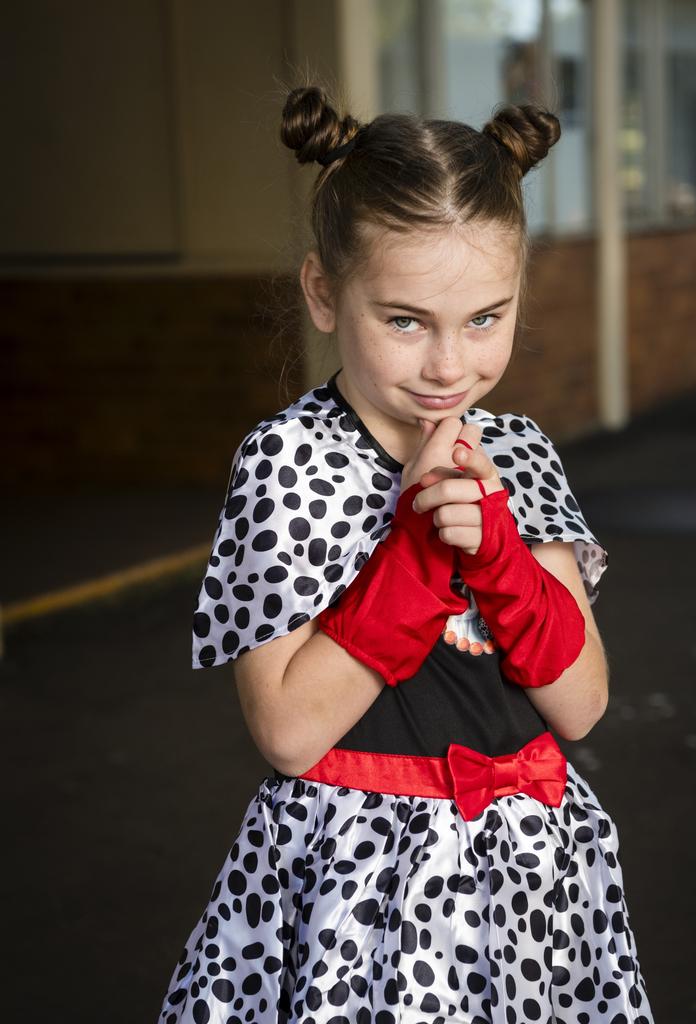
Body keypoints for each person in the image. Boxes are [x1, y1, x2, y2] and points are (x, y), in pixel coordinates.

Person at [157, 85, 655, 1024]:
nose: (448, 366)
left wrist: (501, 554)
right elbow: (291, 733)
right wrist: (423, 548)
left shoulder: (522, 455)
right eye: (404, 321)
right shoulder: (288, 461)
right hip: (358, 877)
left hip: (528, 871)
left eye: (483, 319)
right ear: (323, 292)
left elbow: (581, 705)